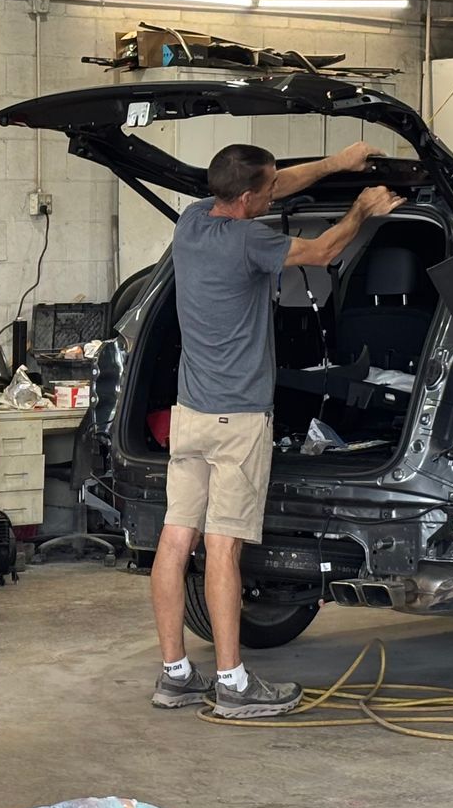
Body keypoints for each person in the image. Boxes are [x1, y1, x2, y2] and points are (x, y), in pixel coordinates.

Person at [150, 140, 404, 717]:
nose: (274, 194)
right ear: (245, 200)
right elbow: (321, 253)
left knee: (174, 541)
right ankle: (234, 683)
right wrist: (360, 211)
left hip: (190, 415)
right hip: (237, 420)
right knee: (222, 548)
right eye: (265, 192)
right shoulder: (251, 242)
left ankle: (174, 675)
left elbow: (275, 181)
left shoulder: (192, 221)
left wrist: (336, 164)